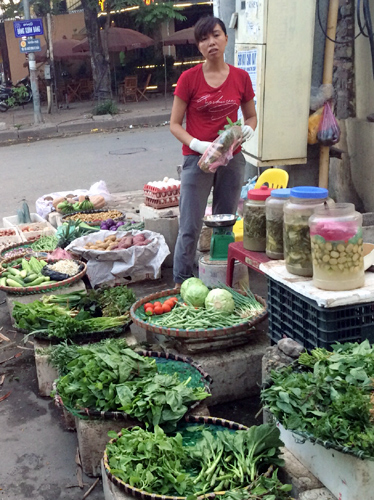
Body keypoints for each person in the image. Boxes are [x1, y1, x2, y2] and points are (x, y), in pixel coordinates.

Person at [170, 15, 257, 287]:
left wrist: (248, 130)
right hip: (197, 160)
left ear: (226, 38)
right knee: (190, 227)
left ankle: (223, 278)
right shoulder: (189, 78)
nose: (211, 42)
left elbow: (251, 116)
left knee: (225, 221)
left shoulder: (241, 78)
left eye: (216, 35)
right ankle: (182, 280)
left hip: (231, 159)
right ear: (198, 46)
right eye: (204, 39)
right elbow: (174, 124)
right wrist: (198, 145)